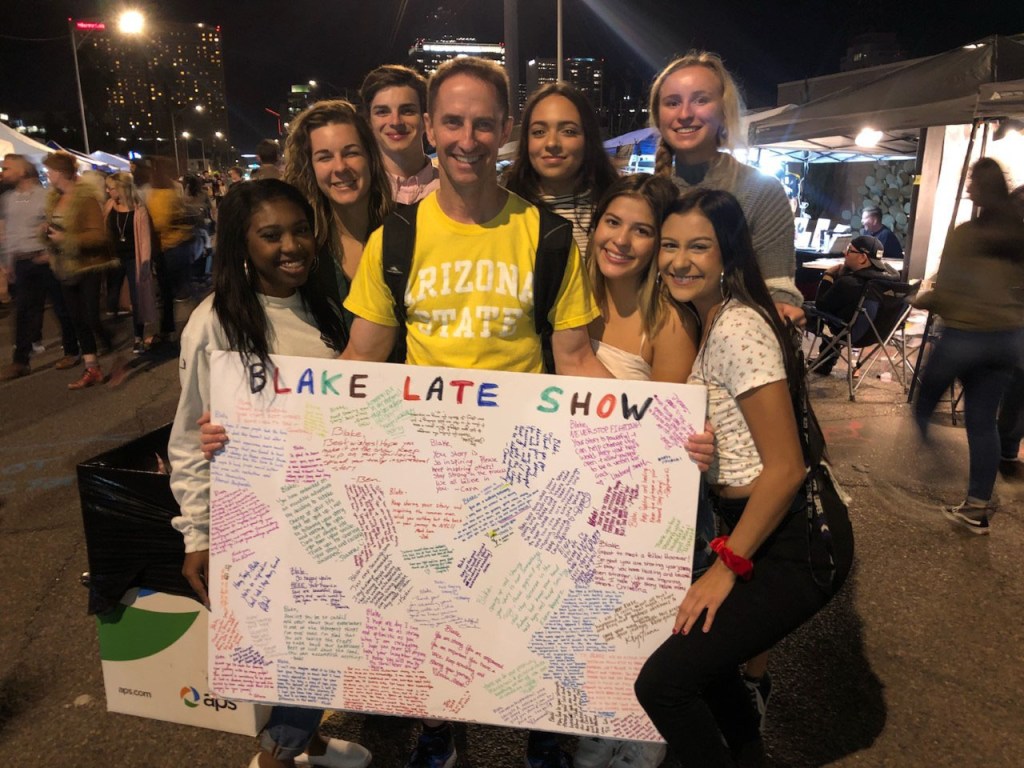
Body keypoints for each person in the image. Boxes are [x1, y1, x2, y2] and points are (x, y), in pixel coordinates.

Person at [342, 55, 611, 768]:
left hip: (525, 472)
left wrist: (663, 428)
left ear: (505, 131)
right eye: (452, 122)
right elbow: (361, 360)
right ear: (430, 127)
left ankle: (545, 738)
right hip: (427, 478)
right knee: (434, 615)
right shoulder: (393, 239)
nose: (467, 138)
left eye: (482, 123)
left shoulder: (550, 238)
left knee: (533, 613)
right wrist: (258, 429)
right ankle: (438, 732)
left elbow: (578, 360)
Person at [634, 188, 843, 767]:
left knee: (663, 684)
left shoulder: (736, 328)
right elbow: (753, 435)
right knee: (714, 677)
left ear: (728, 253)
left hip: (794, 543)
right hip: (758, 527)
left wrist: (726, 571)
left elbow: (786, 467)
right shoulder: (714, 321)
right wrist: (712, 446)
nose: (679, 260)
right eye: (670, 245)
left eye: (699, 246)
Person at [168, 179, 369, 768]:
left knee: (322, 639)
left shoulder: (323, 302)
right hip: (266, 520)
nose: (292, 246)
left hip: (331, 510)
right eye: (271, 234)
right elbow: (187, 436)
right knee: (298, 647)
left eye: (301, 230)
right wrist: (197, 532)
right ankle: (278, 756)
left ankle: (309, 742)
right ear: (240, 242)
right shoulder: (216, 322)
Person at [574, 174, 697, 768]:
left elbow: (665, 447)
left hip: (633, 516)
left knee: (631, 641)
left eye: (642, 230)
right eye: (612, 222)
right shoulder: (567, 299)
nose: (620, 240)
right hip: (567, 502)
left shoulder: (667, 322)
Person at [649, 51, 804, 326]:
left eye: (701, 100)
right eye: (672, 103)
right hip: (656, 338)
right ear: (658, 115)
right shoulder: (648, 193)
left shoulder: (761, 191)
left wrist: (781, 306)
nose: (684, 114)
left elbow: (777, 287)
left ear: (724, 110)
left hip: (731, 343)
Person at [913, 158, 1024, 534]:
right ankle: (977, 508)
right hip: (1008, 340)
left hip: (966, 337)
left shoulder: (965, 234)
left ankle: (932, 466)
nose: (968, 187)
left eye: (973, 181)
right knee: (982, 421)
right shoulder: (1017, 236)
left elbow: (948, 290)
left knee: (923, 405)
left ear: (982, 187)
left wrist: (921, 301)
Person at [283, 98, 393, 325]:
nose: (341, 167)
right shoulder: (302, 246)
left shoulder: (406, 229)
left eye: (351, 153)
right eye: (325, 157)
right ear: (310, 168)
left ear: (371, 158)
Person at [503, 81, 619, 253]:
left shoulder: (616, 207)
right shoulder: (504, 209)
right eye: (539, 132)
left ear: (588, 139)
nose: (552, 143)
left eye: (569, 131)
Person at [42, 151, 117, 389]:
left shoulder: (86, 199)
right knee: (77, 319)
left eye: (51, 171)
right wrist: (46, 232)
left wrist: (67, 237)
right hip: (64, 265)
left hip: (88, 264)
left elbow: (98, 236)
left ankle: (106, 337)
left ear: (61, 173)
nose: (48, 175)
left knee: (91, 316)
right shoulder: (55, 199)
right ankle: (92, 368)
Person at [0, 154, 77, 380]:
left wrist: (50, 252)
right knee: (23, 311)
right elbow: (8, 232)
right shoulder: (8, 199)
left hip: (45, 260)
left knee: (61, 307)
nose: (3, 172)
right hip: (22, 261)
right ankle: (20, 361)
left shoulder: (46, 196)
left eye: (7, 168)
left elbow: (58, 225)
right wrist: (7, 263)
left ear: (23, 171)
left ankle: (72, 349)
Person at [809, 234, 898, 375]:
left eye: (849, 250)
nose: (845, 253)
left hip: (851, 334)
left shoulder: (849, 283)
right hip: (881, 334)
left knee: (808, 311)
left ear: (862, 258)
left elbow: (820, 305)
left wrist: (828, 275)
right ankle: (824, 361)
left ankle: (815, 362)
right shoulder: (891, 280)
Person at [358, 65, 440, 204]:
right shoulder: (359, 192)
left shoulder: (453, 189)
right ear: (369, 122)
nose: (395, 122)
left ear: (426, 119)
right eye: (382, 112)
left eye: (407, 111)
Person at [103, 172, 159, 354]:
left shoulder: (139, 210)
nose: (107, 191)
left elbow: (144, 240)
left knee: (137, 298)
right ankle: (107, 336)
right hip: (114, 258)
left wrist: (144, 264)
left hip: (133, 257)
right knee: (111, 298)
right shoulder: (110, 205)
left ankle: (138, 336)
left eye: (110, 188)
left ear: (121, 188)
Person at [149, 156, 197, 342]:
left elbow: (160, 221)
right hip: (174, 246)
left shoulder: (161, 194)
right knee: (175, 291)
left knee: (177, 291)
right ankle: (175, 329)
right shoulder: (169, 191)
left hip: (171, 247)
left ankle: (185, 330)